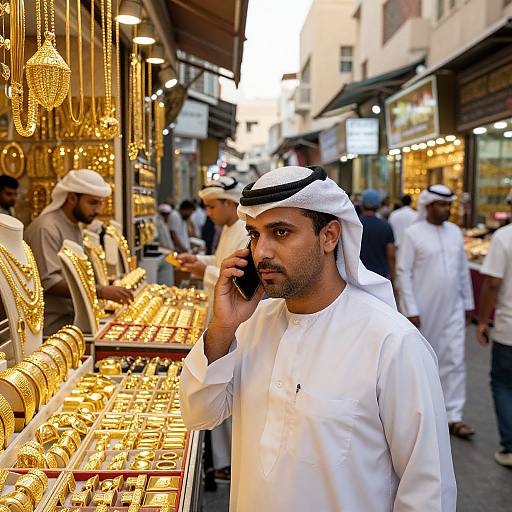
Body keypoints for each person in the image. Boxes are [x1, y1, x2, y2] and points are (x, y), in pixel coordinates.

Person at [180, 166, 456, 511]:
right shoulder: (253, 326)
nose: (261, 252)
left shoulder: (392, 342)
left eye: (280, 232)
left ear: (329, 236)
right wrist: (222, 328)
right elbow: (198, 415)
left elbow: (429, 490)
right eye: (254, 235)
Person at [178, 177, 248, 484]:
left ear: (229, 204)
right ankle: (223, 463)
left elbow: (235, 278)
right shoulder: (229, 230)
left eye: (210, 206)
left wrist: (202, 270)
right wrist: (201, 262)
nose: (207, 213)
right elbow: (221, 264)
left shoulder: (243, 231)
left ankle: (228, 463)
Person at [397, 184, 475, 439]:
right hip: (423, 308)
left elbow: (462, 270)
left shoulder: (454, 232)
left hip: (453, 308)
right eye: (442, 205)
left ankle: (454, 415)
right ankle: (424, 412)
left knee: (455, 359)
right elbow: (403, 273)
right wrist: (410, 308)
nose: (447, 210)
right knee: (423, 360)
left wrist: (468, 304)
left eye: (449, 205)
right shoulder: (413, 233)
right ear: (428, 206)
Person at [25, 170, 133, 335]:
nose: (98, 210)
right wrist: (101, 291)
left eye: (100, 203)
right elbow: (49, 282)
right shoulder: (46, 228)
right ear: (72, 198)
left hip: (70, 323)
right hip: (50, 328)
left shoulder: (74, 224)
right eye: (92, 203)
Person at [477, 189, 512, 466]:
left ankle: (509, 447)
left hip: (508, 329)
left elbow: (492, 283)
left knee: (502, 383)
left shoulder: (503, 238)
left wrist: (482, 320)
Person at [358, 189, 396, 281]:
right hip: (380, 277)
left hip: (358, 276)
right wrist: (393, 279)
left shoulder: (354, 225)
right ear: (378, 206)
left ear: (362, 205)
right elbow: (391, 256)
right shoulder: (385, 226)